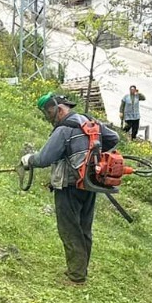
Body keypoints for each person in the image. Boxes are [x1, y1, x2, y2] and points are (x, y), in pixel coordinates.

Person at [20, 92, 119, 285]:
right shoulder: (90, 122)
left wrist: (29, 159)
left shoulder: (64, 129)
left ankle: (76, 275)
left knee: (69, 229)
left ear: (60, 108)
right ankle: (80, 269)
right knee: (84, 228)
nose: (49, 116)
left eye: (49, 111)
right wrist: (93, 156)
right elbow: (113, 138)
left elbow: (44, 159)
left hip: (68, 185)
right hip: (90, 183)